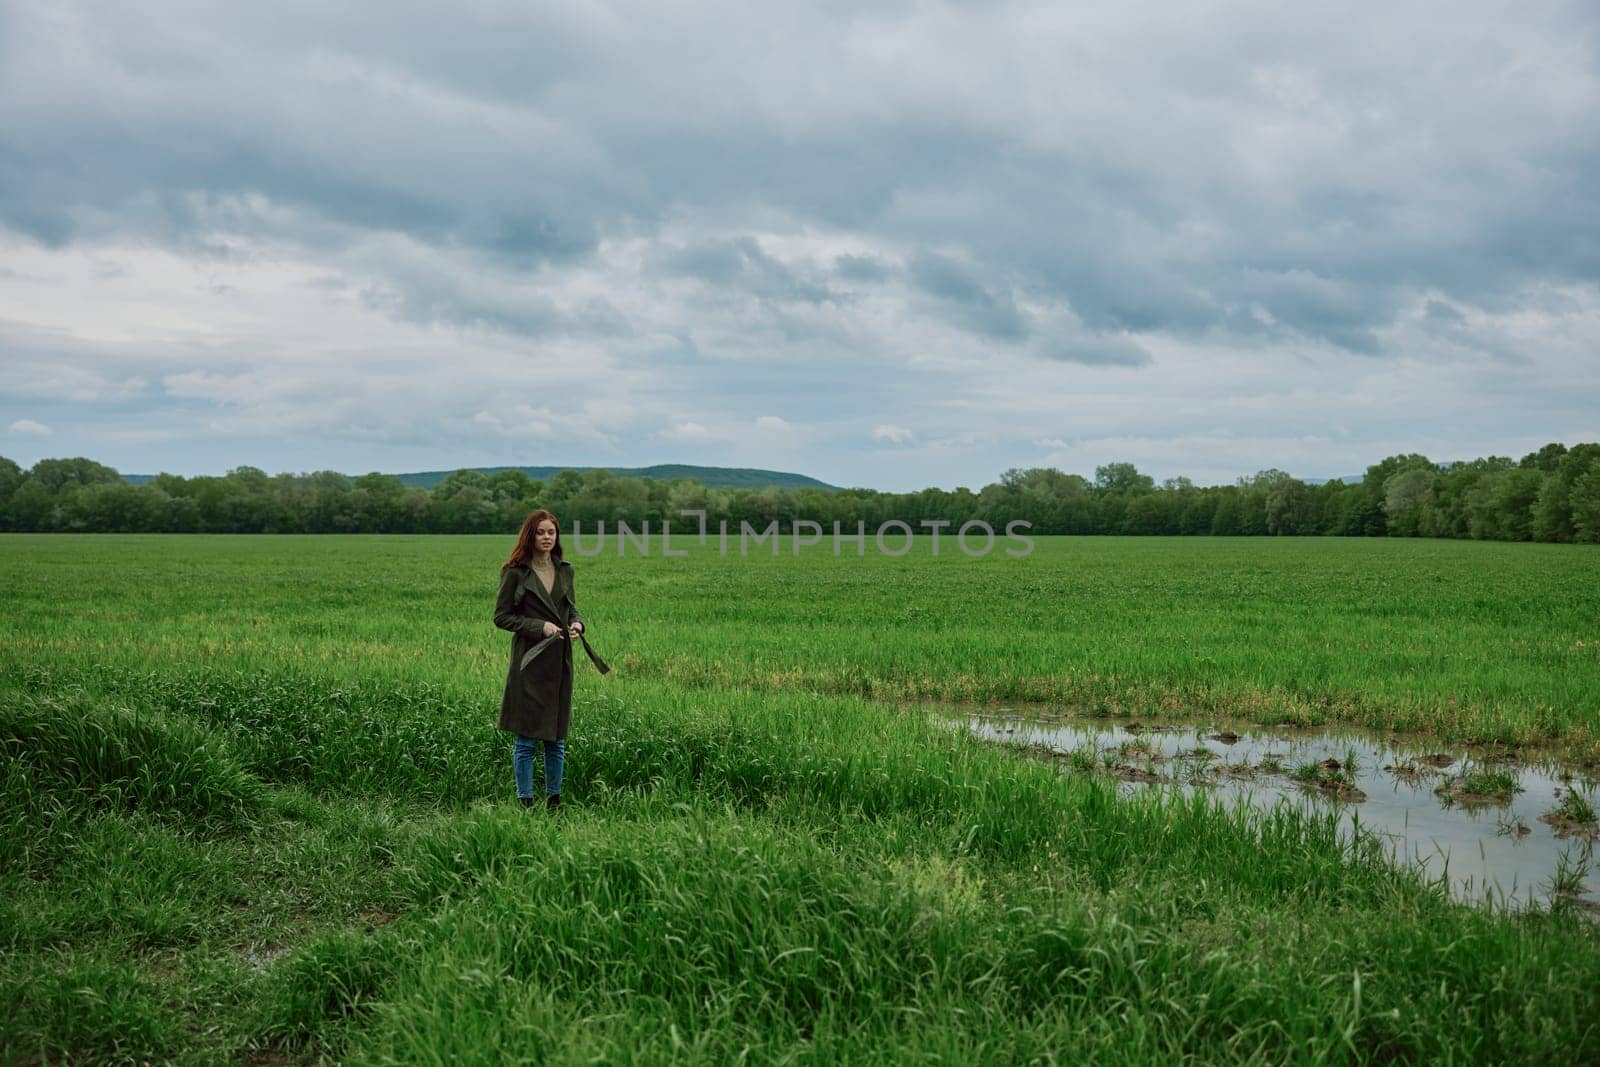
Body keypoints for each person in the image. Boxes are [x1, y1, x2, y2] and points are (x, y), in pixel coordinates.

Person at [494, 509, 608, 810]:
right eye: (541, 532)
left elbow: (571, 609)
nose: (547, 537)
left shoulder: (565, 570)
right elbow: (502, 617)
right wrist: (538, 627)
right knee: (527, 739)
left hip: (560, 663)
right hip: (529, 662)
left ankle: (554, 802)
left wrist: (578, 624)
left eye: (551, 532)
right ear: (530, 536)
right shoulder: (516, 573)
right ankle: (525, 803)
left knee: (556, 739)